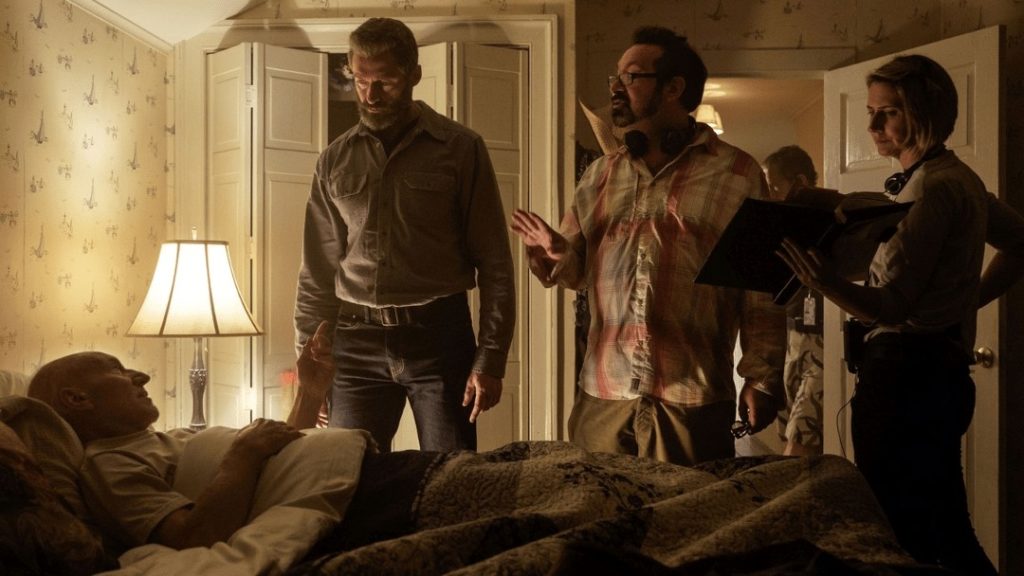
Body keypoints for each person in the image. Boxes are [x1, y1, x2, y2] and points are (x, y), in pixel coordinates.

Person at [777, 54, 1024, 575]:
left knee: (899, 534)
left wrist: (826, 283)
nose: (871, 125)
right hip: (939, 374)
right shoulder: (958, 179)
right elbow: (1019, 243)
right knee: (949, 529)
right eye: (870, 111)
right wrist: (964, 302)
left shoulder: (932, 188)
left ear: (925, 112)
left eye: (886, 112)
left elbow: (891, 306)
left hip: (904, 380)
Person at [511, 26, 786, 466]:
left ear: (673, 88)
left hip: (690, 397)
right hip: (603, 396)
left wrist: (762, 377)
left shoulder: (738, 173)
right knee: (595, 506)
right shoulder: (599, 175)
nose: (615, 88)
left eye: (632, 76)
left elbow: (762, 287)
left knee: (687, 509)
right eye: (615, 77)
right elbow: (577, 272)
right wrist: (560, 257)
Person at [293, 17, 515, 452]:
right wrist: (310, 367)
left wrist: (491, 359)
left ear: (414, 74)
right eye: (361, 81)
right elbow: (317, 270)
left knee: (450, 474)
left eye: (386, 81)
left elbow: (495, 263)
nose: (371, 95)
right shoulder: (334, 160)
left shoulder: (461, 148)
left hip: (440, 336)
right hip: (353, 342)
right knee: (347, 473)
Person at [25, 322, 337, 554]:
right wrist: (243, 453)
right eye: (118, 370)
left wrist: (309, 393)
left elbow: (276, 458)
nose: (142, 377)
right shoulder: (111, 464)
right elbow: (193, 539)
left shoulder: (169, 439)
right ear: (77, 399)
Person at [764, 145, 824, 456]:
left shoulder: (831, 223)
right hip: (791, 340)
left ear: (799, 182)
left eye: (773, 187)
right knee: (785, 434)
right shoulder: (777, 229)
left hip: (821, 345)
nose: (769, 196)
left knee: (800, 445)